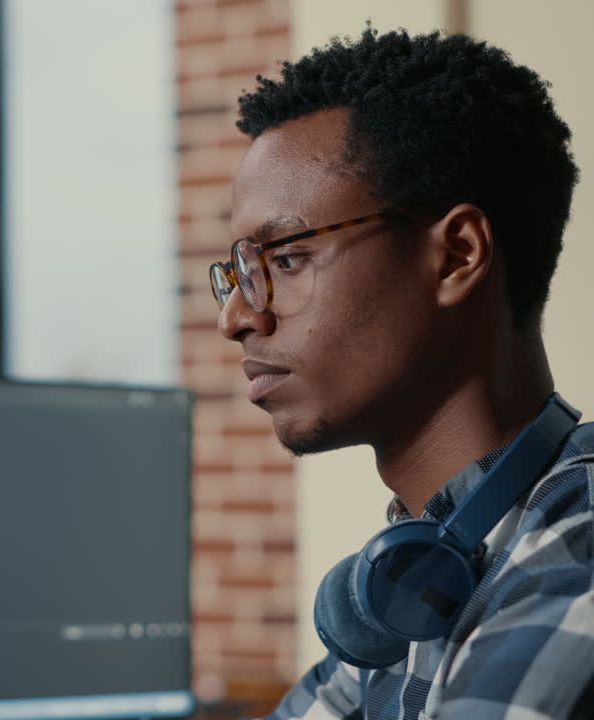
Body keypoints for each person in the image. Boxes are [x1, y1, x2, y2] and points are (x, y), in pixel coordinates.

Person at [209, 27, 594, 719]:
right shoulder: (427, 569)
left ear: (456, 257)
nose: (236, 316)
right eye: (236, 275)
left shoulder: (572, 563)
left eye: (285, 261)